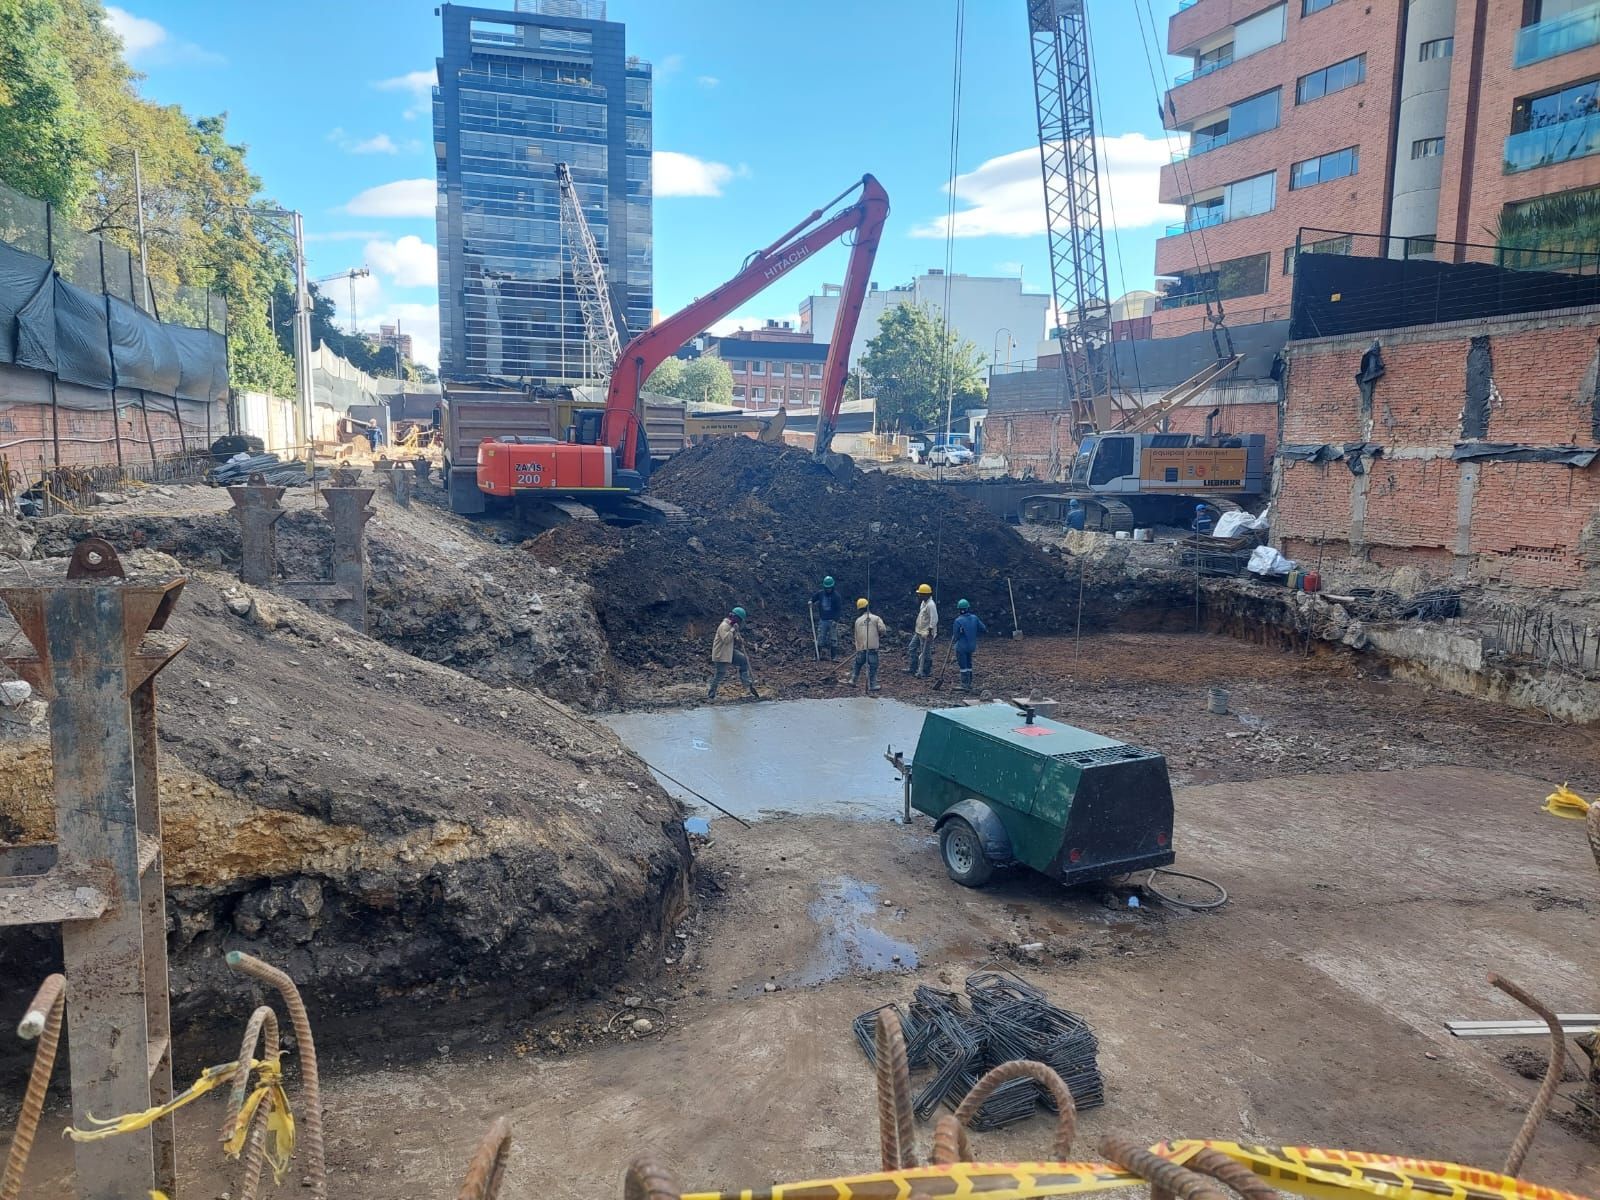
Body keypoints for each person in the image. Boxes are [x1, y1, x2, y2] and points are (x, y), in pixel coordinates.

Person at [708, 606, 758, 700]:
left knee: (744, 660)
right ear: (734, 617)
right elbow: (726, 639)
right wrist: (732, 630)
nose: (739, 622)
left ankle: (747, 686)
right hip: (721, 654)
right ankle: (711, 694)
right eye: (739, 620)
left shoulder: (732, 626)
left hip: (729, 652)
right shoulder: (724, 626)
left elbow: (733, 638)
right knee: (720, 674)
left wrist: (738, 639)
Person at [951, 599, 988, 693]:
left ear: (959, 609)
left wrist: (960, 632)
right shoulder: (975, 618)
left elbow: (956, 636)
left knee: (963, 665)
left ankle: (964, 684)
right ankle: (969, 682)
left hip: (961, 647)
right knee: (969, 663)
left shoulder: (958, 621)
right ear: (968, 608)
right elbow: (984, 629)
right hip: (971, 646)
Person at [851, 598, 886, 695]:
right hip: (872, 648)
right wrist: (880, 634)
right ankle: (872, 685)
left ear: (859, 610)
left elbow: (856, 635)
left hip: (861, 648)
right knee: (873, 667)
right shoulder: (876, 618)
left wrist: (858, 649)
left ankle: (853, 679)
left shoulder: (857, 621)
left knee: (857, 664)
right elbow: (883, 629)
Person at [907, 583, 939, 677]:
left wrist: (930, 630)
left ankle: (925, 671)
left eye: (921, 593)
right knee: (912, 647)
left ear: (926, 594)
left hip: (926, 633)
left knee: (925, 652)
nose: (919, 595)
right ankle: (913, 668)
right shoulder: (923, 603)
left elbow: (934, 619)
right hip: (919, 631)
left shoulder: (931, 605)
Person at [809, 575, 843, 661]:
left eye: (829, 588)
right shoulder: (821, 593)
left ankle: (834, 657)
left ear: (832, 587)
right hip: (823, 620)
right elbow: (814, 597)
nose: (828, 589)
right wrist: (811, 601)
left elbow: (838, 610)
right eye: (826, 588)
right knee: (820, 638)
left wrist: (836, 620)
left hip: (832, 621)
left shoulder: (836, 596)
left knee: (833, 639)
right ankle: (816, 656)